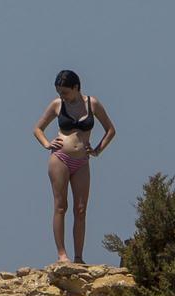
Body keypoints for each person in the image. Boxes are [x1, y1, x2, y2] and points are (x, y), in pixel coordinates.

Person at [32, 69, 116, 264]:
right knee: (61, 206)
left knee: (81, 209)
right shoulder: (57, 104)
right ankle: (62, 254)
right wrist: (46, 144)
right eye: (59, 92)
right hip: (60, 158)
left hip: (82, 161)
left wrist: (97, 150)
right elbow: (38, 128)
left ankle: (79, 257)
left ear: (76, 87)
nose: (62, 96)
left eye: (65, 92)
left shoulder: (92, 103)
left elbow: (110, 130)